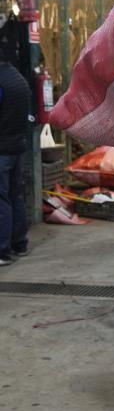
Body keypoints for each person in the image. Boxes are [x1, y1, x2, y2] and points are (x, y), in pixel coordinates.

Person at [0, 61, 30, 266]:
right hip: (17, 146)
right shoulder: (17, 77)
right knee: (16, 195)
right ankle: (20, 243)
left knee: (2, 199)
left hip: (2, 149)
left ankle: (3, 250)